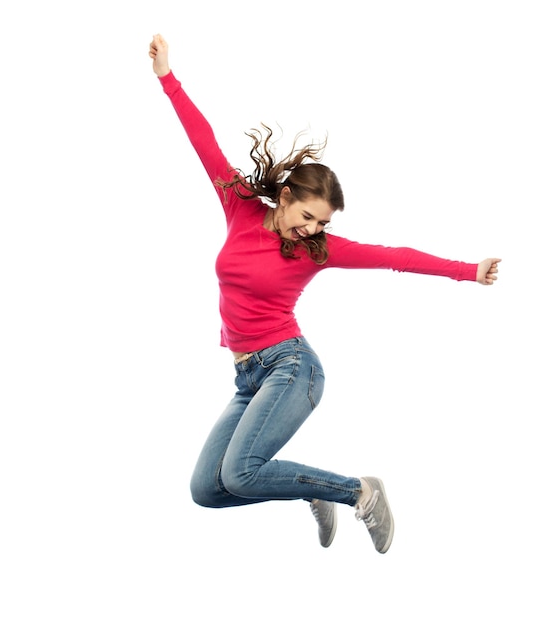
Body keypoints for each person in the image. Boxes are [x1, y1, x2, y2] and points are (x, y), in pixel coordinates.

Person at [148, 34, 500, 554]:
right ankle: (307, 491)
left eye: (322, 223)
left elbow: (395, 256)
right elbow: (205, 144)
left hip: (293, 368)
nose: (311, 229)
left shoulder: (318, 250)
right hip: (249, 376)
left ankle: (358, 491)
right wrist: (167, 78)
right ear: (285, 196)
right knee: (208, 489)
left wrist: (468, 270)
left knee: (242, 475)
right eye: (307, 216)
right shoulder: (241, 207)